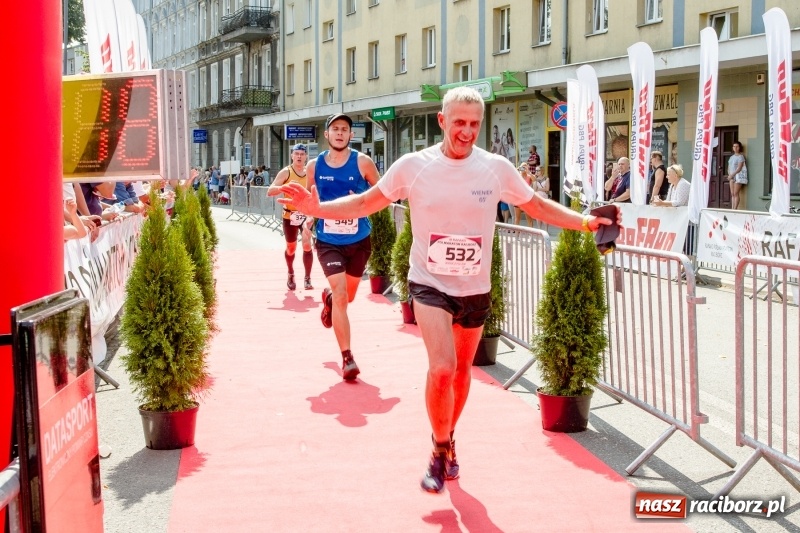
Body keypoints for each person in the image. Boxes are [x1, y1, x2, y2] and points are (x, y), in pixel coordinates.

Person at [278, 86, 618, 494]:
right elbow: (366, 202)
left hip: (475, 288)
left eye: (474, 124)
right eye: (459, 123)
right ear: (442, 121)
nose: (467, 132)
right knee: (442, 370)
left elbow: (537, 207)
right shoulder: (413, 166)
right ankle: (439, 451)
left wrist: (584, 222)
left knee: (459, 375)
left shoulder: (495, 168)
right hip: (429, 284)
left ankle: (449, 436)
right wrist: (316, 209)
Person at [305, 113, 381, 382]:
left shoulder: (362, 162)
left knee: (346, 298)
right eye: (335, 129)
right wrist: (307, 220)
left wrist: (361, 200)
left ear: (351, 135)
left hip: (359, 239)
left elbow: (381, 193)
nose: (340, 133)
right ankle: (347, 357)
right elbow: (310, 199)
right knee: (340, 295)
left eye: (345, 129)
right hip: (328, 240)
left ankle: (327, 301)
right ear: (326, 134)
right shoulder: (315, 166)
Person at [268, 143, 315, 291]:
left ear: (306, 156)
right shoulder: (286, 172)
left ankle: (307, 279)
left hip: (306, 213)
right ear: (292, 156)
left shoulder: (310, 172)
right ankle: (290, 273)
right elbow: (270, 191)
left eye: (302, 154)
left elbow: (316, 192)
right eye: (297, 154)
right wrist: (284, 187)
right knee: (291, 248)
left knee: (307, 244)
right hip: (289, 214)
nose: (299, 157)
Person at [728, 141, 747, 210]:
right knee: (732, 194)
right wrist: (729, 174)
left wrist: (732, 175)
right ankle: (732, 208)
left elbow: (739, 168)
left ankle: (735, 209)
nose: (735, 148)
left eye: (737, 146)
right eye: (734, 146)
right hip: (731, 177)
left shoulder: (741, 157)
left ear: (739, 148)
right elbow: (729, 166)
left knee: (736, 193)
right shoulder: (731, 157)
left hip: (737, 177)